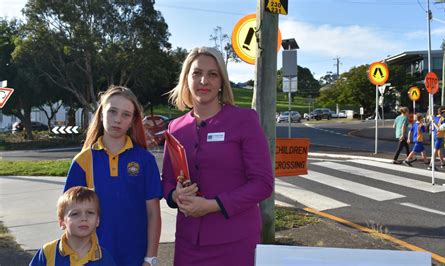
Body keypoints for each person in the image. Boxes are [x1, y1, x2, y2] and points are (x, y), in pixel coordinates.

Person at [162, 46, 273, 266]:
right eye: (197, 73)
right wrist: (176, 195)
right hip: (188, 244)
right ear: (186, 79)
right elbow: (166, 181)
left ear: (222, 81)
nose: (204, 80)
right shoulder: (175, 127)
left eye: (212, 74)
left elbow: (262, 184)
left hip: (235, 242)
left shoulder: (245, 120)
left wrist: (212, 205)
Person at [64, 85, 162, 266]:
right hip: (92, 258)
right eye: (112, 112)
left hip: (136, 257)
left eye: (126, 114)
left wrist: (150, 258)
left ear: (133, 120)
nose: (118, 119)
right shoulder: (83, 161)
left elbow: (153, 214)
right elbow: (70, 216)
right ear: (101, 114)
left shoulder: (145, 160)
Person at [30, 186, 116, 265]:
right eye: (75, 214)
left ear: (97, 220)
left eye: (90, 212)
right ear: (62, 222)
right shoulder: (48, 252)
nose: (84, 218)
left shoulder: (105, 259)